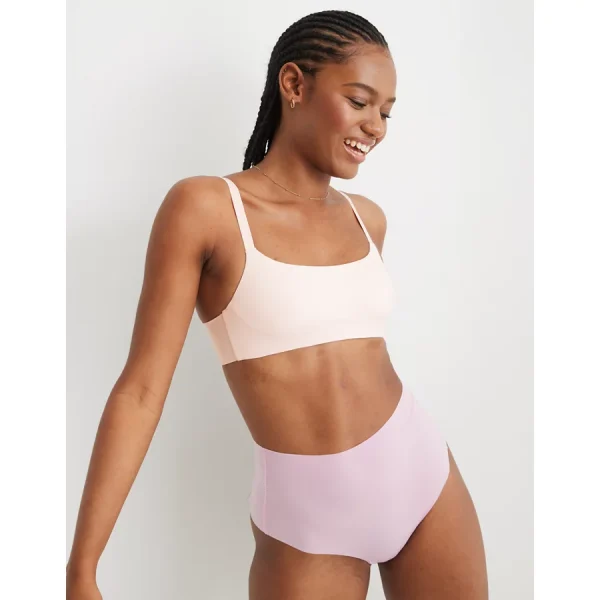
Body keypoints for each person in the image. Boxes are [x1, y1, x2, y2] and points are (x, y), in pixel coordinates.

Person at [67, 9, 489, 600]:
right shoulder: (206, 209)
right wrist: (82, 566)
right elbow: (140, 392)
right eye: (360, 101)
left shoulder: (367, 219)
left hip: (423, 479)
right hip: (307, 519)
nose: (376, 127)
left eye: (387, 112)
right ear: (294, 84)